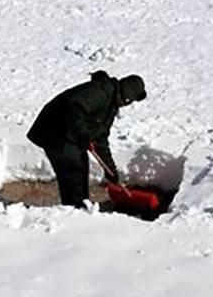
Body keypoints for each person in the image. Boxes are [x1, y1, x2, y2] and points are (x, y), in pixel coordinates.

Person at [27, 70, 146, 208]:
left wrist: (110, 171)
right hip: (54, 130)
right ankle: (74, 210)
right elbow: (75, 106)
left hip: (70, 134)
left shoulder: (110, 105)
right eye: (129, 102)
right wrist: (82, 134)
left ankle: (81, 205)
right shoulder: (100, 92)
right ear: (127, 98)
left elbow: (100, 139)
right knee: (73, 170)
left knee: (81, 166)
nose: (127, 105)